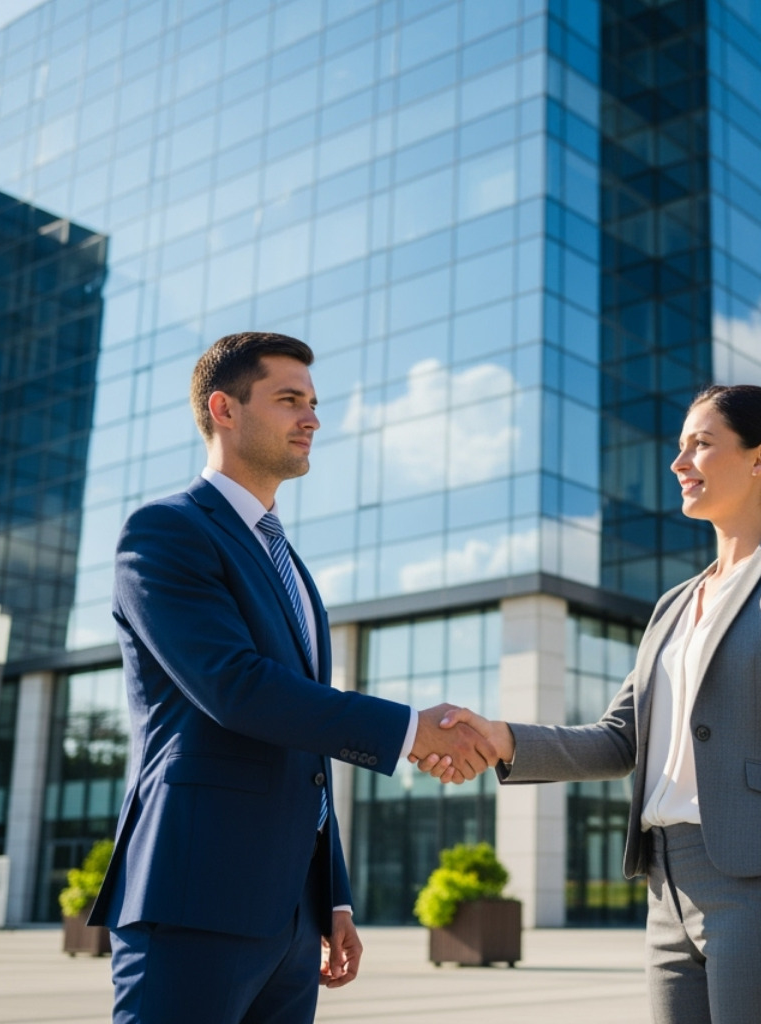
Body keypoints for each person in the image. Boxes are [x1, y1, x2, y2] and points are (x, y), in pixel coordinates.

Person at [91, 332, 497, 1024]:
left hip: (290, 923)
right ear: (224, 408)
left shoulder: (290, 564)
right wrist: (408, 729)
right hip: (196, 899)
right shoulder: (165, 531)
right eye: (288, 400)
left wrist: (330, 895)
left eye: (313, 402)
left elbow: (303, 743)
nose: (312, 418)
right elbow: (236, 688)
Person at [431, 384, 761, 1024]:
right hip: (666, 888)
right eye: (679, 447)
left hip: (760, 889)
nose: (679, 462)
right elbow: (618, 740)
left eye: (701, 444)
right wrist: (502, 738)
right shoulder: (672, 604)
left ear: (760, 458)